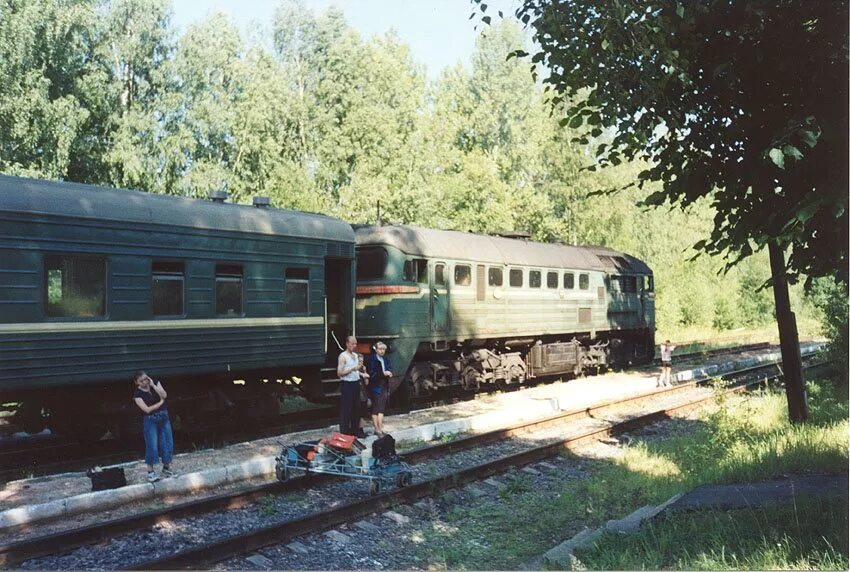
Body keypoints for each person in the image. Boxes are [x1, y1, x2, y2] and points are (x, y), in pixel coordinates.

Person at [132, 371, 175, 482]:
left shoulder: (155, 383)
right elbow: (147, 409)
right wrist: (161, 403)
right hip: (150, 420)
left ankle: (166, 469)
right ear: (136, 383)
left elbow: (164, 395)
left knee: (167, 443)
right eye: (141, 381)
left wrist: (153, 386)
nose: (145, 382)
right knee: (152, 445)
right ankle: (151, 472)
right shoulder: (137, 395)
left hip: (164, 417)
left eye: (146, 379)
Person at [337, 336, 369, 437]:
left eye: (355, 344)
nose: (354, 346)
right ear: (347, 344)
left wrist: (362, 374)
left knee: (356, 409)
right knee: (346, 409)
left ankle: (355, 432)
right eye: (352, 344)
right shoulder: (343, 356)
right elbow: (340, 373)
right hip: (347, 384)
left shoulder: (355, 355)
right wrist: (352, 368)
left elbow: (356, 371)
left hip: (356, 383)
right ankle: (344, 433)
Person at [366, 342, 393, 436]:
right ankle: (376, 428)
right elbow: (371, 373)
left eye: (383, 349)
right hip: (375, 386)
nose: (382, 351)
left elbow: (389, 368)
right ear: (376, 349)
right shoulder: (372, 359)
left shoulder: (385, 359)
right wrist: (383, 374)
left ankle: (380, 428)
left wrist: (389, 372)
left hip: (384, 385)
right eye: (380, 349)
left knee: (381, 408)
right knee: (375, 408)